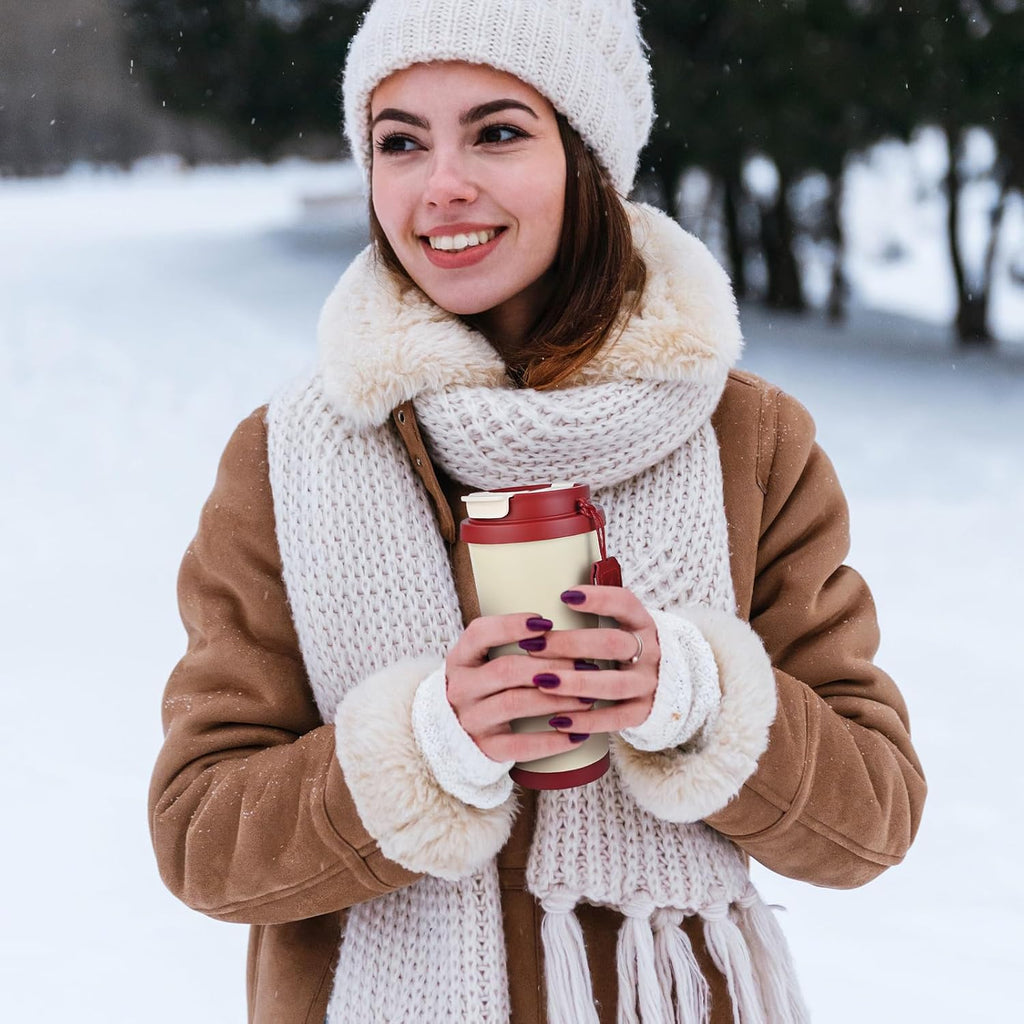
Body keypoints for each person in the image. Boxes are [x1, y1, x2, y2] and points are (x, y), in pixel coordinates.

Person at [148, 1, 926, 1022]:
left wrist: (695, 699)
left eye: (498, 132)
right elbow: (202, 840)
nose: (442, 185)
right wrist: (423, 749)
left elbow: (871, 818)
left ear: (587, 158)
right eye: (400, 143)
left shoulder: (747, 442)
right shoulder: (286, 460)